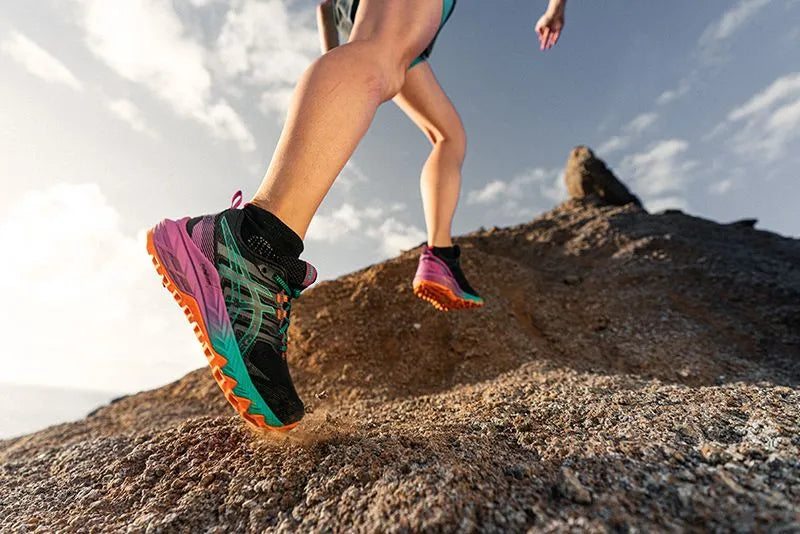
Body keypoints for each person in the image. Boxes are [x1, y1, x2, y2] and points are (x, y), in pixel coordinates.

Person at [146, 0, 567, 431]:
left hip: (393, 36)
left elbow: (326, 7)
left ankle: (440, 256)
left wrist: (341, 66)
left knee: (446, 132)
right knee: (379, 62)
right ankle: (255, 243)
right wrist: (556, 7)